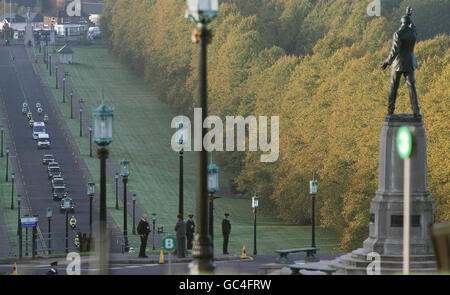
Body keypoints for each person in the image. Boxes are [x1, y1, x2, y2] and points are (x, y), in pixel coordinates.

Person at [381, 7, 420, 117]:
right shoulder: (413, 32)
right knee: (412, 87)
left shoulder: (398, 33)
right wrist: (409, 16)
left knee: (394, 86)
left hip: (398, 64)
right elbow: (414, 26)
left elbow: (395, 50)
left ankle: (390, 110)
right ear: (409, 23)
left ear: (401, 23)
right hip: (410, 63)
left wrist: (387, 62)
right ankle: (416, 111)